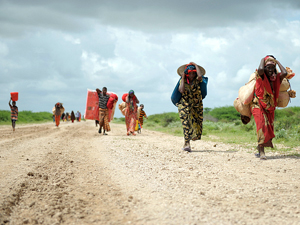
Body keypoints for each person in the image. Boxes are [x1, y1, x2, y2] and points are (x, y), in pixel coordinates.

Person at [251, 55, 287, 160]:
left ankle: (259, 149)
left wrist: (276, 61)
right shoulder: (260, 76)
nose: (270, 70)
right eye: (268, 67)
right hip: (258, 105)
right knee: (262, 126)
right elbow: (261, 69)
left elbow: (284, 73)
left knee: (268, 128)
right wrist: (263, 59)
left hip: (270, 107)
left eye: (272, 67)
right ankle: (262, 153)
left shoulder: (276, 79)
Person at [178, 62, 205, 152]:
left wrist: (196, 65)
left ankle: (191, 139)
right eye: (190, 73)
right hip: (184, 105)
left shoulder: (198, 79)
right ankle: (187, 143)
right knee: (186, 123)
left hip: (196, 105)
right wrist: (183, 77)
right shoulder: (183, 81)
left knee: (196, 122)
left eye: (194, 73)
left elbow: (200, 76)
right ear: (186, 73)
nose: (192, 75)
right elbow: (181, 90)